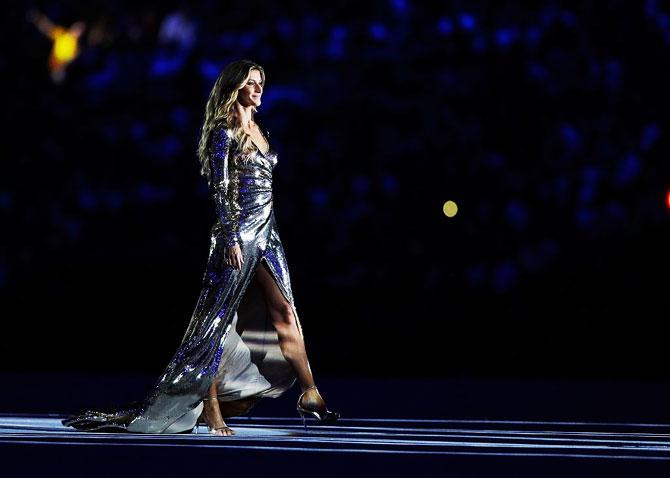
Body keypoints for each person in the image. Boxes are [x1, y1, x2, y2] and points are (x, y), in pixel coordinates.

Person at [62, 59, 339, 436]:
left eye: (261, 83)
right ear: (234, 87)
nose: (258, 89)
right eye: (251, 83)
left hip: (268, 233)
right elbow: (221, 190)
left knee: (285, 311)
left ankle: (310, 392)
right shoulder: (223, 132)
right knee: (216, 322)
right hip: (237, 234)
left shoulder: (262, 129)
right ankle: (209, 408)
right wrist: (229, 236)